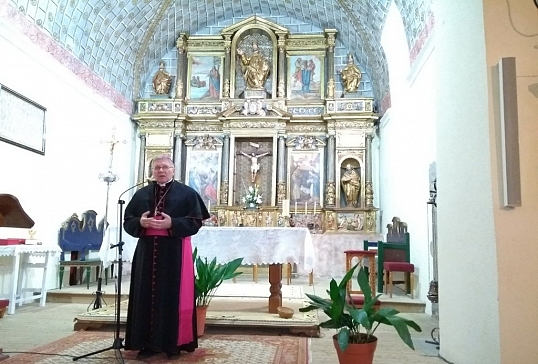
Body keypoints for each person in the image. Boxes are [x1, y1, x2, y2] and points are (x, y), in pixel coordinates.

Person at [123, 155, 209, 360]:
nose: (161, 171)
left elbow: (196, 222)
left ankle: (173, 344)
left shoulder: (187, 193)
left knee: (172, 295)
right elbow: (128, 220)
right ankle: (146, 344)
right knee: (145, 294)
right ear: (151, 171)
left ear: (173, 170)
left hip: (174, 251)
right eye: (157, 167)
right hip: (146, 251)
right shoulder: (141, 193)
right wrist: (141, 223)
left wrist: (172, 224)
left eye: (165, 167)